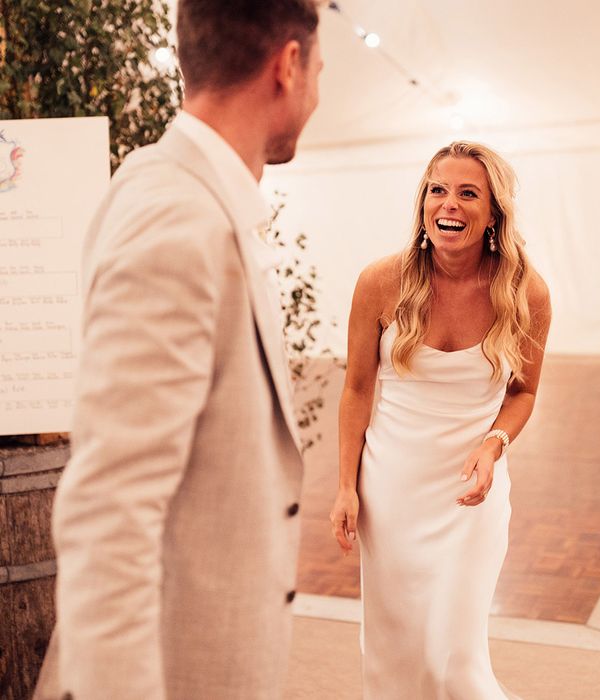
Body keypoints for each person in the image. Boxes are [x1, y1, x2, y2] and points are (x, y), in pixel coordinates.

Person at [33, 2, 323, 699]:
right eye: (321, 68)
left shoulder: (172, 188)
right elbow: (109, 510)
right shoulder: (178, 219)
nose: (320, 90)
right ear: (287, 65)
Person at [330, 141, 552, 699]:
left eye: (468, 192)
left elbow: (524, 393)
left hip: (470, 497)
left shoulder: (526, 291)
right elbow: (357, 390)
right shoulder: (380, 282)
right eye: (437, 189)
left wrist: (493, 443)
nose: (448, 204)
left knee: (451, 656)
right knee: (395, 654)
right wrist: (344, 487)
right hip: (392, 492)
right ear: (423, 202)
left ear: (494, 212)